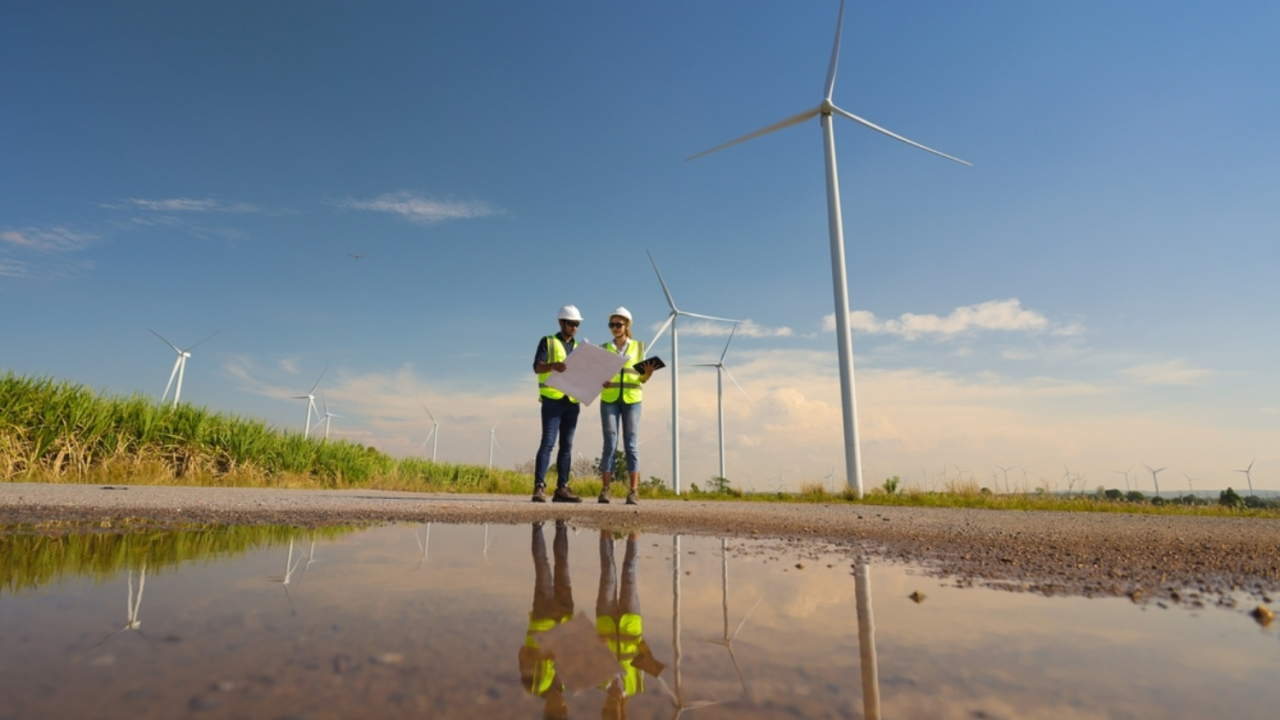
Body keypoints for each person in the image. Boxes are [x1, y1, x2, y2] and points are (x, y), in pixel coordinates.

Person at [596, 529, 664, 718]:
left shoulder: (599, 682)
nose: (610, 707)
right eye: (613, 713)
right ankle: (634, 528)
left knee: (608, 571)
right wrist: (645, 652)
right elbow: (644, 651)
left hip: (605, 619)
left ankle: (606, 526)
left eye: (606, 712)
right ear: (622, 712)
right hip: (631, 621)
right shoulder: (636, 686)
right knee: (630, 570)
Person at [518, 521, 575, 719]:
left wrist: (544, 654)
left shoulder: (531, 685)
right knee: (563, 562)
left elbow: (523, 654)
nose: (560, 704)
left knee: (542, 566)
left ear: (546, 711)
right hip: (565, 616)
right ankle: (562, 525)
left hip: (543, 619)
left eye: (555, 710)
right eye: (563, 708)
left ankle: (537, 526)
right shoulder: (567, 683)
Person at [597, 308, 652, 505]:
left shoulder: (638, 347)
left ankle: (633, 491)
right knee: (609, 443)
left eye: (618, 324)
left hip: (632, 399)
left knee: (631, 444)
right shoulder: (603, 348)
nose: (614, 328)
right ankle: (605, 490)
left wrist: (648, 374)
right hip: (609, 399)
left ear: (627, 325)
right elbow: (597, 375)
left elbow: (642, 379)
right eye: (611, 325)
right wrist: (602, 381)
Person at [532, 305, 584, 503]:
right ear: (561, 322)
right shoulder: (548, 341)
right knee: (548, 443)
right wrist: (553, 366)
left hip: (572, 401)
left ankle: (562, 488)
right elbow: (537, 367)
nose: (574, 327)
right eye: (571, 323)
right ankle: (539, 487)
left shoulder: (580, 348)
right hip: (552, 400)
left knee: (567, 446)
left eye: (577, 324)